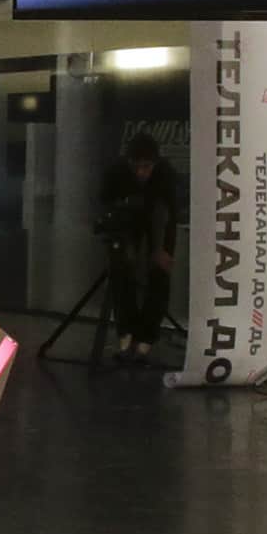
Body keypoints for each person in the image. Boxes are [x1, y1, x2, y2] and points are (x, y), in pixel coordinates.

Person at [98, 132, 181, 363]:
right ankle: (127, 334)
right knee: (121, 273)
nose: (141, 173)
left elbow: (169, 217)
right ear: (128, 163)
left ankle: (146, 339)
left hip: (158, 222)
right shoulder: (116, 173)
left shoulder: (165, 175)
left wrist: (162, 249)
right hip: (126, 223)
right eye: (137, 167)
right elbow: (105, 205)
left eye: (147, 167)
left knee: (159, 274)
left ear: (155, 163)